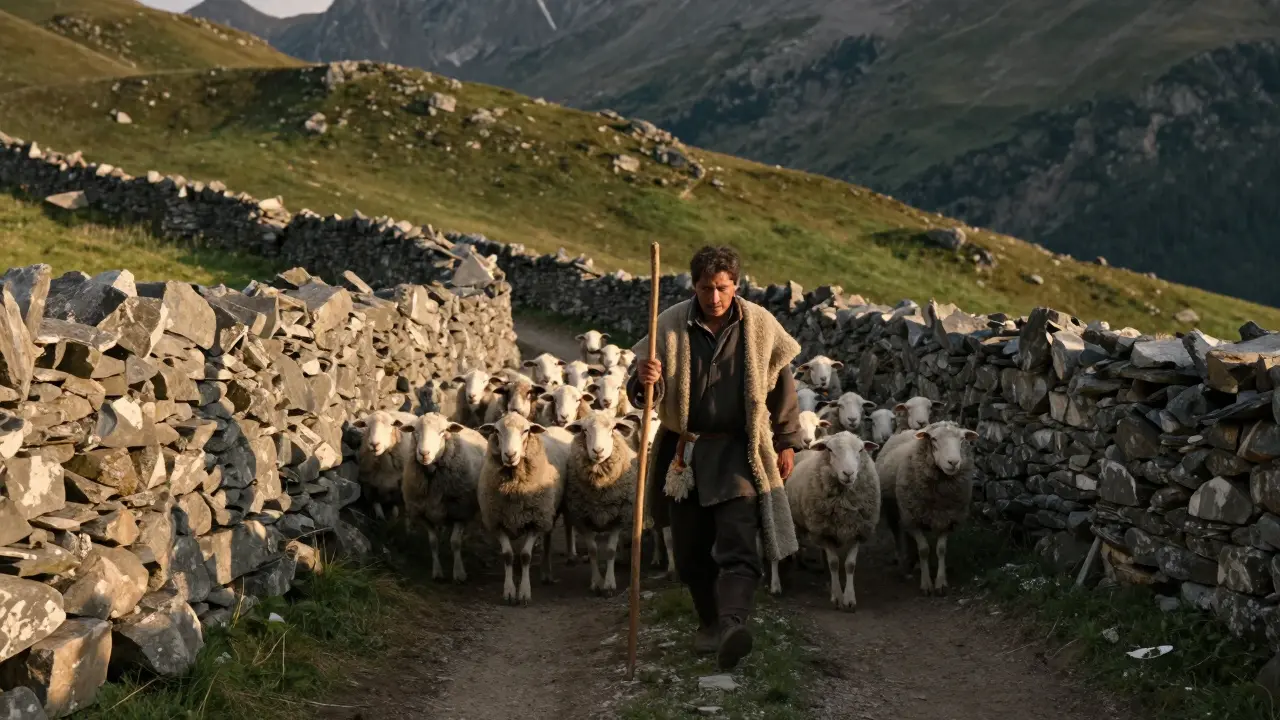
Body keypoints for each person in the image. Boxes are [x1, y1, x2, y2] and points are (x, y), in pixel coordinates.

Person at [626, 245, 804, 670]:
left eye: (722, 288)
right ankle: (708, 622)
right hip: (684, 454)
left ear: (735, 285)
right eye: (706, 288)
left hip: (739, 451)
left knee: (739, 544)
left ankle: (732, 625)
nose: (715, 297)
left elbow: (781, 385)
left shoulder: (759, 326)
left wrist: (786, 441)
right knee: (689, 551)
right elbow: (640, 394)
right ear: (695, 286)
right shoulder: (668, 325)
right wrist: (643, 379)